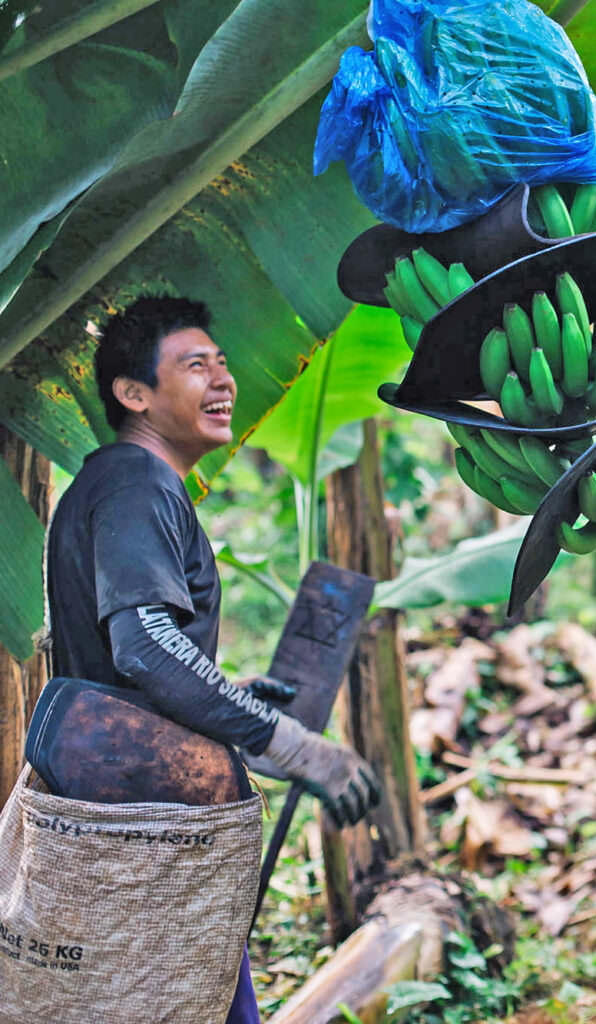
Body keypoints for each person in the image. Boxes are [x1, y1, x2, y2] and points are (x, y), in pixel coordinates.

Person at [44, 295, 381, 1023]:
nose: (225, 380)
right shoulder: (136, 481)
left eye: (223, 363)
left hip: (127, 819)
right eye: (196, 365)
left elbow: (122, 664)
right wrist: (292, 745)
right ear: (134, 394)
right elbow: (145, 645)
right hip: (145, 830)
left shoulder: (121, 483)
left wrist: (227, 703)